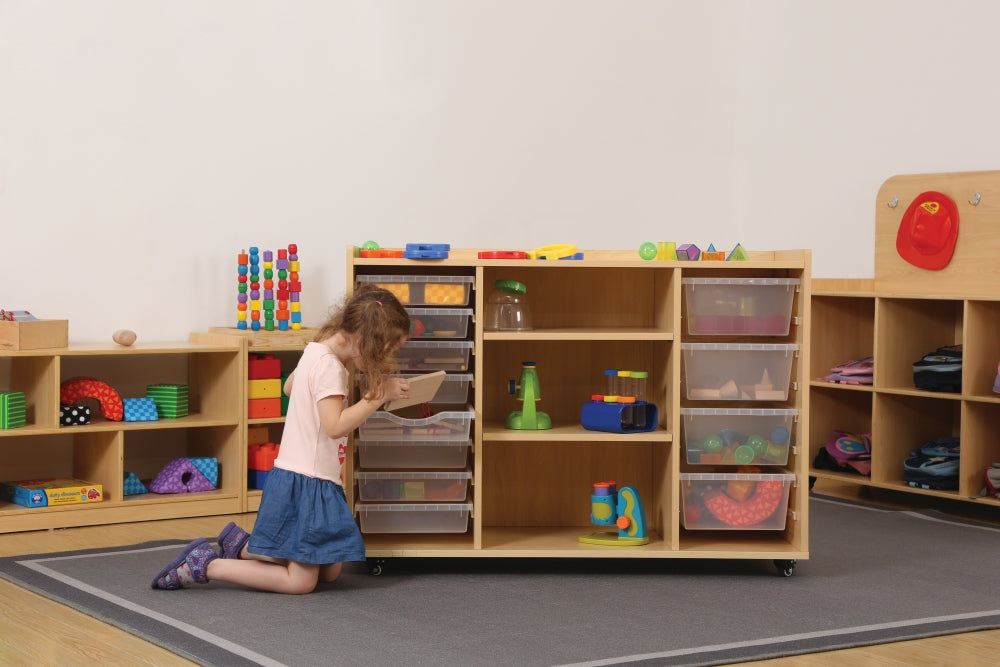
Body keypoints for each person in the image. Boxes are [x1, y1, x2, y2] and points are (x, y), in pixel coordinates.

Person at [151, 285, 411, 594]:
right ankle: (206, 564)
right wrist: (377, 397)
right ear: (364, 339)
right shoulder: (331, 368)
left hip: (297, 475)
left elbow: (289, 388)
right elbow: (334, 426)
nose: (388, 358)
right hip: (309, 482)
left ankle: (243, 547)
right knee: (301, 582)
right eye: (387, 350)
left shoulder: (316, 351)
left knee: (329, 571)